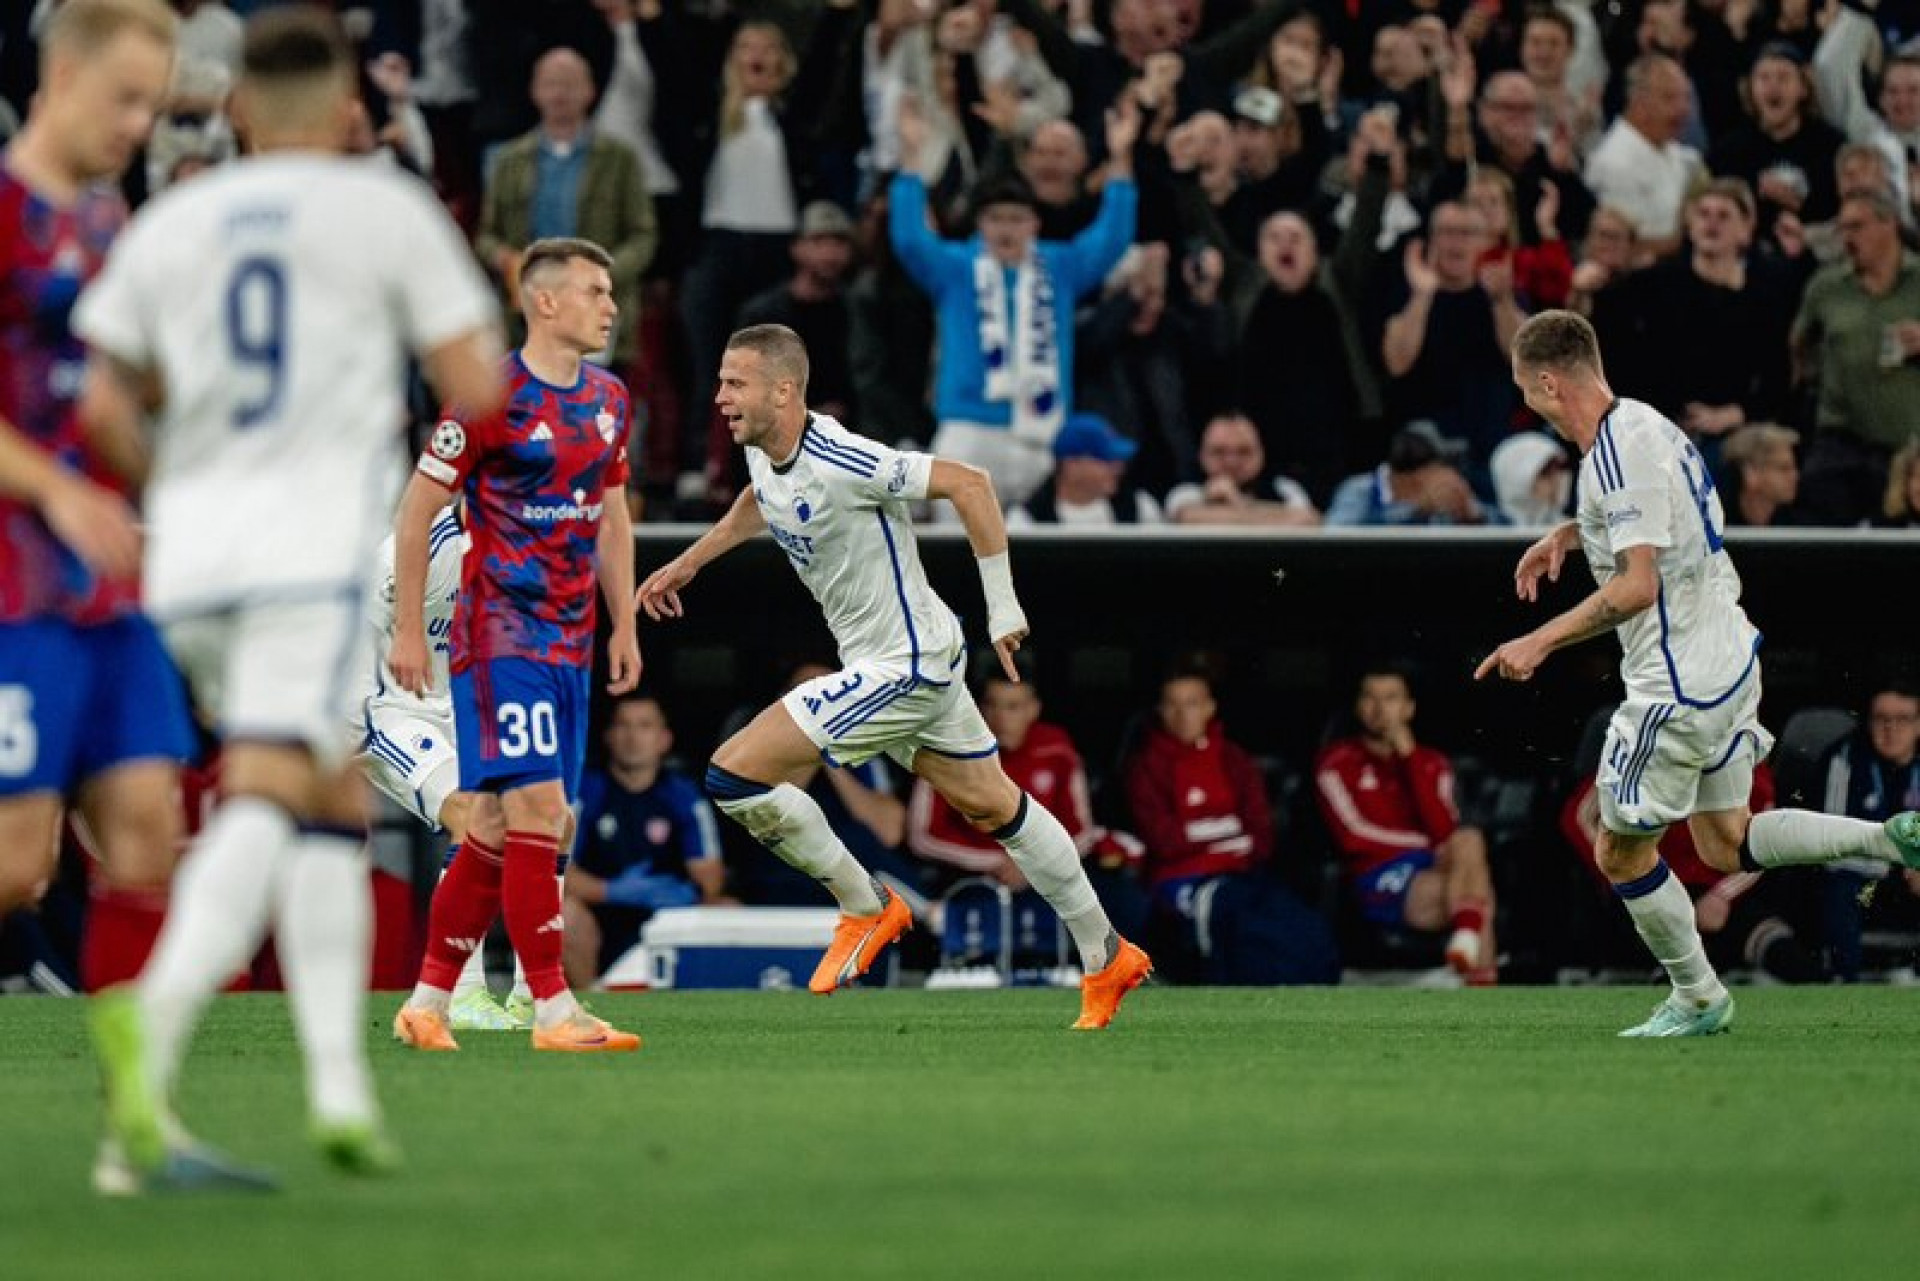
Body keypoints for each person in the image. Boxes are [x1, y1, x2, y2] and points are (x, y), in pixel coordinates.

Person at [72, 5, 506, 1186]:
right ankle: (150, 1028)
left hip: (190, 552)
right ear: (353, 109)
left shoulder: (175, 217)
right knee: (273, 788)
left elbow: (105, 401)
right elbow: (478, 382)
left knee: (325, 798)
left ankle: (339, 1091)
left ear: (240, 109)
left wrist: (185, 472)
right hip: (307, 554)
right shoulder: (383, 208)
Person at [637, 323, 1151, 1030]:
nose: (719, 395)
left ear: (784, 390)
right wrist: (693, 558)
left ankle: (866, 904)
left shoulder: (844, 455)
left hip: (905, 664)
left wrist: (1003, 606)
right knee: (994, 805)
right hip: (910, 658)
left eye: (736, 383)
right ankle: (1108, 954)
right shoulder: (763, 451)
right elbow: (762, 501)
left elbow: (971, 484)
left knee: (735, 774)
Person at [1478, 310, 1920, 1036]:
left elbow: (1635, 587)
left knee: (1618, 850)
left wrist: (1540, 639)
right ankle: (1888, 838)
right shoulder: (1651, 424)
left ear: (1550, 381)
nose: (1529, 403)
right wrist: (1575, 532)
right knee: (1726, 840)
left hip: (1674, 685)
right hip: (1731, 661)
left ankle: (1697, 995)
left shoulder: (1612, 455)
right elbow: (1666, 518)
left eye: (1529, 390)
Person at [389, 236, 643, 1056]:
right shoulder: (488, 394)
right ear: (545, 301)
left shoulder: (609, 398)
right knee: (545, 811)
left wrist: (625, 622)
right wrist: (404, 633)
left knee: (499, 825)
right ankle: (554, 1007)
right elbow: (416, 509)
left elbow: (612, 517)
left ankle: (427, 1002)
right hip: (500, 632)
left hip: (570, 639)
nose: (610, 305)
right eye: (595, 290)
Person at [0, 0, 190, 1090]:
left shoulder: (113, 221)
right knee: (19, 869)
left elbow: (108, 405)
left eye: (151, 106)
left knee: (147, 831)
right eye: (123, 98)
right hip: (14, 586)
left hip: (105, 592)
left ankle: (139, 1121)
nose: (136, 125)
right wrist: (57, 491)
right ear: (60, 73)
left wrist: (172, 473)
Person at [889, 95, 1138, 511]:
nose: (1007, 229)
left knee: (1036, 560)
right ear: (980, 225)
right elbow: (910, 238)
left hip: (1040, 437)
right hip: (967, 432)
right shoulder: (955, 267)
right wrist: (911, 157)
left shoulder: (1060, 267)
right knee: (960, 558)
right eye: (996, 219)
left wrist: (1121, 156)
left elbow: (1112, 237)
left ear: (1034, 225)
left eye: (1017, 219)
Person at [354, 504, 533, 1033]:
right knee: (471, 814)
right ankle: (462, 991)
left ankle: (531, 995)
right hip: (386, 709)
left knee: (546, 816)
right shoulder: (414, 553)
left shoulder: (527, 549)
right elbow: (346, 626)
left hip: (463, 711)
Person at [1124, 663, 1338, 986]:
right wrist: (1228, 832)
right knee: (1237, 919)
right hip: (1182, 879)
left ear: (1210, 707)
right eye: (1173, 704)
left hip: (1243, 872)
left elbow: (1260, 836)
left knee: (1297, 917)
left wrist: (1199, 833)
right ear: (1161, 710)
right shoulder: (1145, 766)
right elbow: (1164, 840)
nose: (1183, 715)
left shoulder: (1234, 759)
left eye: (1193, 703)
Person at [906, 663, 1147, 945]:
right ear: (978, 709)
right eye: (993, 706)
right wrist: (996, 862)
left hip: (1043, 874)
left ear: (1034, 709)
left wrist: (1032, 865)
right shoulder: (947, 748)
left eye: (1014, 707)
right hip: (970, 876)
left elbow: (1081, 831)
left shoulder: (1057, 749)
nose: (1002, 718)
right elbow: (922, 836)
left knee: (1124, 898)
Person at [474, 45, 657, 372]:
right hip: (526, 311)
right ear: (534, 90)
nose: (560, 93)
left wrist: (600, 276)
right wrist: (506, 260)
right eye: (551, 83)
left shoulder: (620, 159)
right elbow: (486, 236)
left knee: (592, 413)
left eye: (570, 83)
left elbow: (643, 236)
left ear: (590, 91)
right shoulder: (509, 161)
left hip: (597, 314)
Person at [1314, 665, 1498, 983]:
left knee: (1468, 839)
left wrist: (1409, 758)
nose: (1380, 709)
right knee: (1480, 897)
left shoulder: (1432, 763)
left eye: (1390, 698)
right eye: (1370, 698)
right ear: (1359, 707)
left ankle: (1467, 943)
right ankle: (1481, 981)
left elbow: (1445, 831)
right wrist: (1424, 845)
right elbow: (1352, 835)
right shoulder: (1336, 763)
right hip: (1381, 872)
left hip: (1436, 866)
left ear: (1408, 708)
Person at [562, 694, 726, 988]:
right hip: (599, 915)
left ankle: (700, 1003)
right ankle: (591, 1003)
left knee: (728, 911)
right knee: (564, 913)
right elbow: (556, 873)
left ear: (664, 739)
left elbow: (710, 876)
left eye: (644, 726)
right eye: (623, 726)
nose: (632, 737)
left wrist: (684, 894)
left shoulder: (684, 795)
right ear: (609, 736)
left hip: (667, 916)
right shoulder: (582, 793)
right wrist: (612, 891)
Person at [1790, 187, 1920, 526]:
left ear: (1889, 223)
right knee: (1815, 525)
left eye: (1856, 227)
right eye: (1842, 228)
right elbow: (1798, 345)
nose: (1846, 237)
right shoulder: (1827, 286)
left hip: (1907, 449)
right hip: (1840, 439)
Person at [1818, 682, 1920, 982]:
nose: (1891, 729)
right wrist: (1899, 863)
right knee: (1841, 887)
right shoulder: (1844, 760)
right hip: (1862, 879)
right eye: (1881, 718)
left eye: (1902, 719)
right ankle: (1841, 980)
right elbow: (1828, 843)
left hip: (1910, 882)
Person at [1582, 53, 1703, 255]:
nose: (1684, 110)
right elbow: (1625, 249)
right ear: (1638, 102)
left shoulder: (1678, 153)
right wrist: (1685, 235)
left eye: (1686, 98)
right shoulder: (1615, 162)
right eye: (1670, 98)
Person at [1007, 411, 1163, 527]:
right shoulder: (1026, 521)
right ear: (1072, 466)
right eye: (1106, 460)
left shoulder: (1141, 510)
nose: (1118, 468)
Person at [1163, 412, 1319, 527]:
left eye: (1244, 451)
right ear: (1202, 455)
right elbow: (1189, 518)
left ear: (1261, 454)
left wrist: (1237, 502)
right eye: (1219, 452)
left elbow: (1308, 520)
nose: (1232, 462)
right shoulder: (1185, 492)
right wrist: (1277, 517)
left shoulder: (1285, 489)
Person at [1717, 423, 1803, 527]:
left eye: (1793, 468)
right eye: (1783, 469)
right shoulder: (1714, 525)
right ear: (1750, 473)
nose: (1795, 476)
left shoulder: (1801, 526)